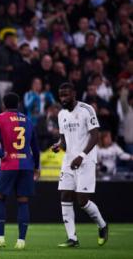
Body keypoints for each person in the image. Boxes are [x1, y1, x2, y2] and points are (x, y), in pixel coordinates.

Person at [52, 83, 108, 247]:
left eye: (66, 95)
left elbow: (95, 136)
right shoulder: (61, 114)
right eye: (61, 95)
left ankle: (102, 225)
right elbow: (64, 140)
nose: (63, 98)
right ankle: (72, 238)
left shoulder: (87, 109)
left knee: (82, 201)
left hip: (86, 161)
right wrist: (58, 145)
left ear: (74, 94)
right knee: (65, 196)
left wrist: (82, 156)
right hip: (69, 161)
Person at [0, 92, 40, 250]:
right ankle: (21, 241)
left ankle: (0, 238)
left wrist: (1, 154)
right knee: (23, 201)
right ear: (18, 105)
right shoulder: (28, 120)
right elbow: (35, 148)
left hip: (9, 164)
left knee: (0, 197)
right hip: (27, 165)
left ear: (3, 104)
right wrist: (36, 166)